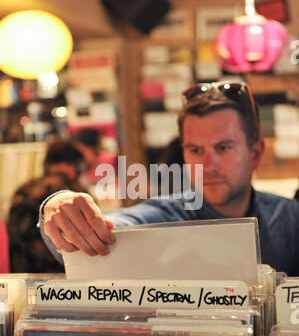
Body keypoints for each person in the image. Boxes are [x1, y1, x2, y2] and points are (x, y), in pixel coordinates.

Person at [39, 81, 299, 276]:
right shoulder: (165, 214)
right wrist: (61, 209)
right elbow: (115, 226)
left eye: (224, 148)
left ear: (255, 154)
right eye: (196, 150)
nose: (208, 164)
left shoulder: (290, 217)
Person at [7, 139, 88, 273]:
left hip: (23, 275)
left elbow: (15, 236)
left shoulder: (23, 189)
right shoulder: (74, 192)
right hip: (65, 279)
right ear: (70, 164)